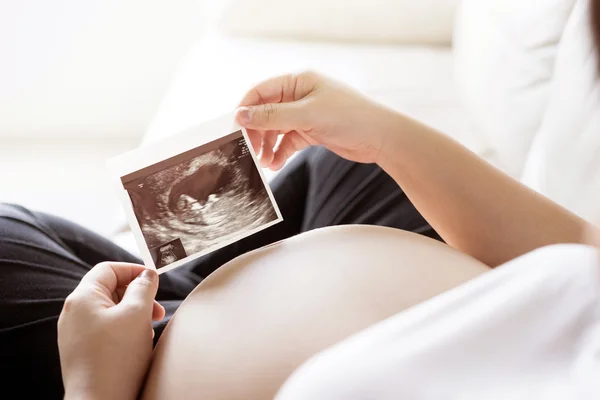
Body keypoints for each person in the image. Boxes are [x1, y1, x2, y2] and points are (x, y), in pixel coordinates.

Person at [1, 5, 599, 400]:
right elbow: (581, 251)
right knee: (336, 160)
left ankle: (192, 284)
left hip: (142, 375)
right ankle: (199, 273)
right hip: (428, 291)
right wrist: (380, 131)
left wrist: (92, 384)